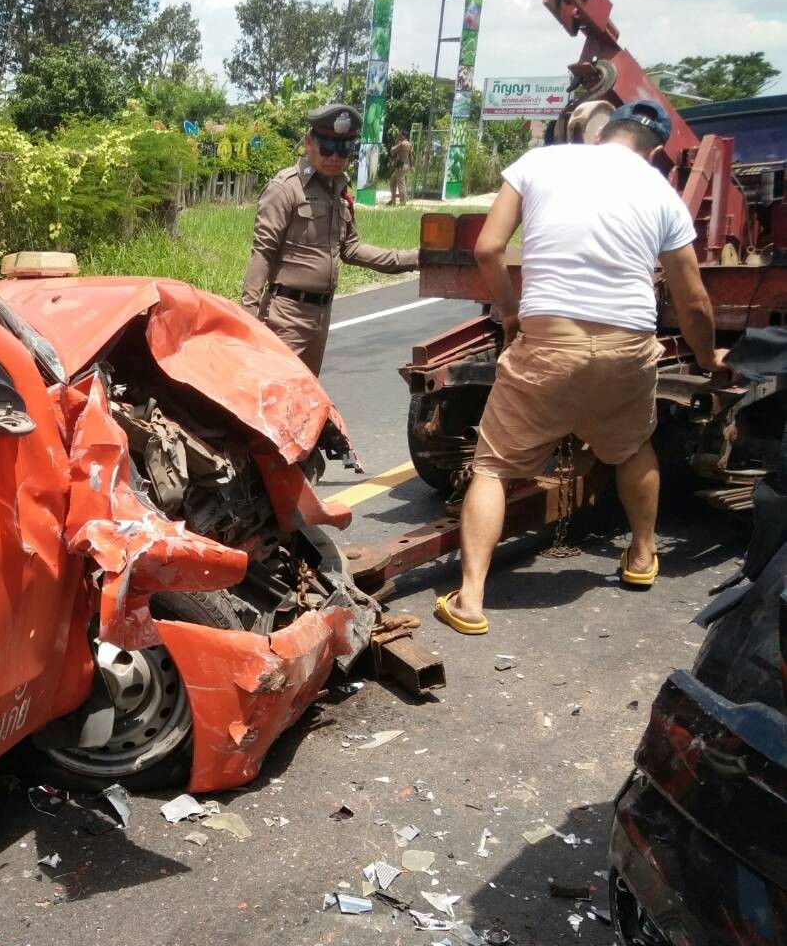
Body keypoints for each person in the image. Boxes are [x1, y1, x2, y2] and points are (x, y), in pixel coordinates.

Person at [434, 100, 728, 636]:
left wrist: (508, 313)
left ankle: (471, 599)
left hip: (550, 344)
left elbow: (488, 249)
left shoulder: (539, 163)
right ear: (657, 151)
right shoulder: (663, 195)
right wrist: (709, 358)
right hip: (627, 349)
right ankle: (641, 558)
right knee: (633, 446)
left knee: (494, 467)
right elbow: (695, 303)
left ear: (599, 135)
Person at [241, 103, 419, 375]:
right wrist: (248, 318)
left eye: (344, 148)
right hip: (286, 316)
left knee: (308, 402)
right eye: (327, 147)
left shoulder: (339, 191)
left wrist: (412, 259)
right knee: (273, 394)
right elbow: (263, 252)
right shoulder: (285, 188)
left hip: (322, 316)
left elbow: (351, 248)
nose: (335, 156)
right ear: (309, 142)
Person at [389, 131, 413, 206]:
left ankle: (403, 202)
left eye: (400, 135)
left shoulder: (402, 144)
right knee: (392, 182)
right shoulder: (409, 144)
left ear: (403, 136)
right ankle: (393, 201)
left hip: (400, 166)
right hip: (404, 166)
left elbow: (392, 151)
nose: (399, 136)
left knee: (401, 185)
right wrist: (412, 166)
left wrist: (397, 145)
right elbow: (411, 156)